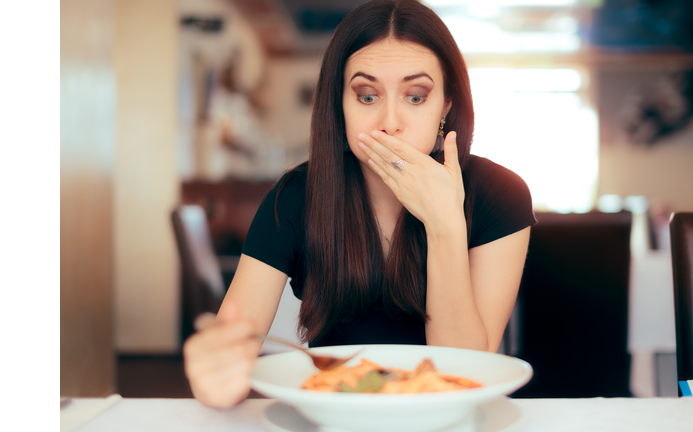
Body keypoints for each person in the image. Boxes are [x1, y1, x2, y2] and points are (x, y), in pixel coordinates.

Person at [183, 0, 536, 409]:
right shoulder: (295, 196)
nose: (389, 122)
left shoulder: (501, 194)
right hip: (332, 413)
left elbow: (468, 373)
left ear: (447, 106)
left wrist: (444, 227)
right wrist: (216, 376)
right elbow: (232, 347)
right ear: (341, 106)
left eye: (416, 97)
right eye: (367, 96)